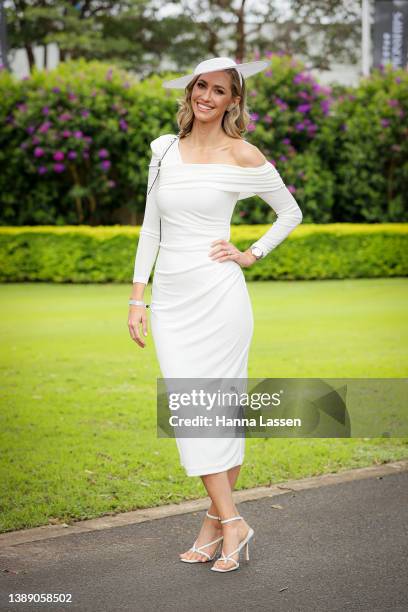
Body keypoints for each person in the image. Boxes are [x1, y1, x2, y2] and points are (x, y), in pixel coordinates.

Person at [128, 57, 303, 572]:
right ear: (190, 91)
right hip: (173, 302)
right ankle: (226, 522)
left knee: (218, 413)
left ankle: (224, 525)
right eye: (201, 85)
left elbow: (289, 212)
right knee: (190, 409)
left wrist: (251, 254)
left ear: (233, 100)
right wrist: (138, 298)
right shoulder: (164, 150)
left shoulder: (242, 154)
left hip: (220, 298)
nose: (207, 95)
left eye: (219, 90)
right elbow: (150, 230)